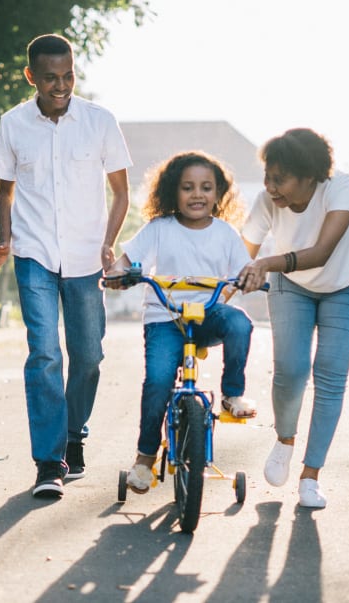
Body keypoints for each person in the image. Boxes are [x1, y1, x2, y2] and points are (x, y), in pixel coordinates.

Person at [0, 33, 132, 499]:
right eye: (50, 78)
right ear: (31, 77)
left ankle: (74, 435)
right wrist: (5, 240)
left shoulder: (100, 121)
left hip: (87, 257)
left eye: (68, 76)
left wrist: (109, 243)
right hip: (34, 255)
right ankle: (49, 462)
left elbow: (121, 192)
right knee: (45, 353)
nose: (61, 85)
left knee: (88, 356)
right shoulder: (13, 124)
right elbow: (5, 192)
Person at [105, 151, 256, 494]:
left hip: (206, 315)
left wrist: (249, 278)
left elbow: (243, 270)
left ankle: (232, 394)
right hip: (165, 318)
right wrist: (117, 274)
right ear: (174, 191)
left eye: (206, 187)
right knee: (158, 380)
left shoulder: (226, 234)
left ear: (218, 194)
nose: (197, 194)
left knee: (240, 324)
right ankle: (144, 458)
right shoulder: (160, 228)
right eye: (188, 187)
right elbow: (127, 261)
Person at [237, 128, 349, 509]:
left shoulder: (340, 189)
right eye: (267, 176)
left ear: (310, 176)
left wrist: (265, 263)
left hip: (346, 284)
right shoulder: (267, 201)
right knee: (291, 370)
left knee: (330, 374)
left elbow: (322, 252)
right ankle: (284, 440)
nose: (270, 187)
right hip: (291, 286)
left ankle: (311, 476)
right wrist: (220, 289)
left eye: (280, 179)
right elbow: (240, 254)